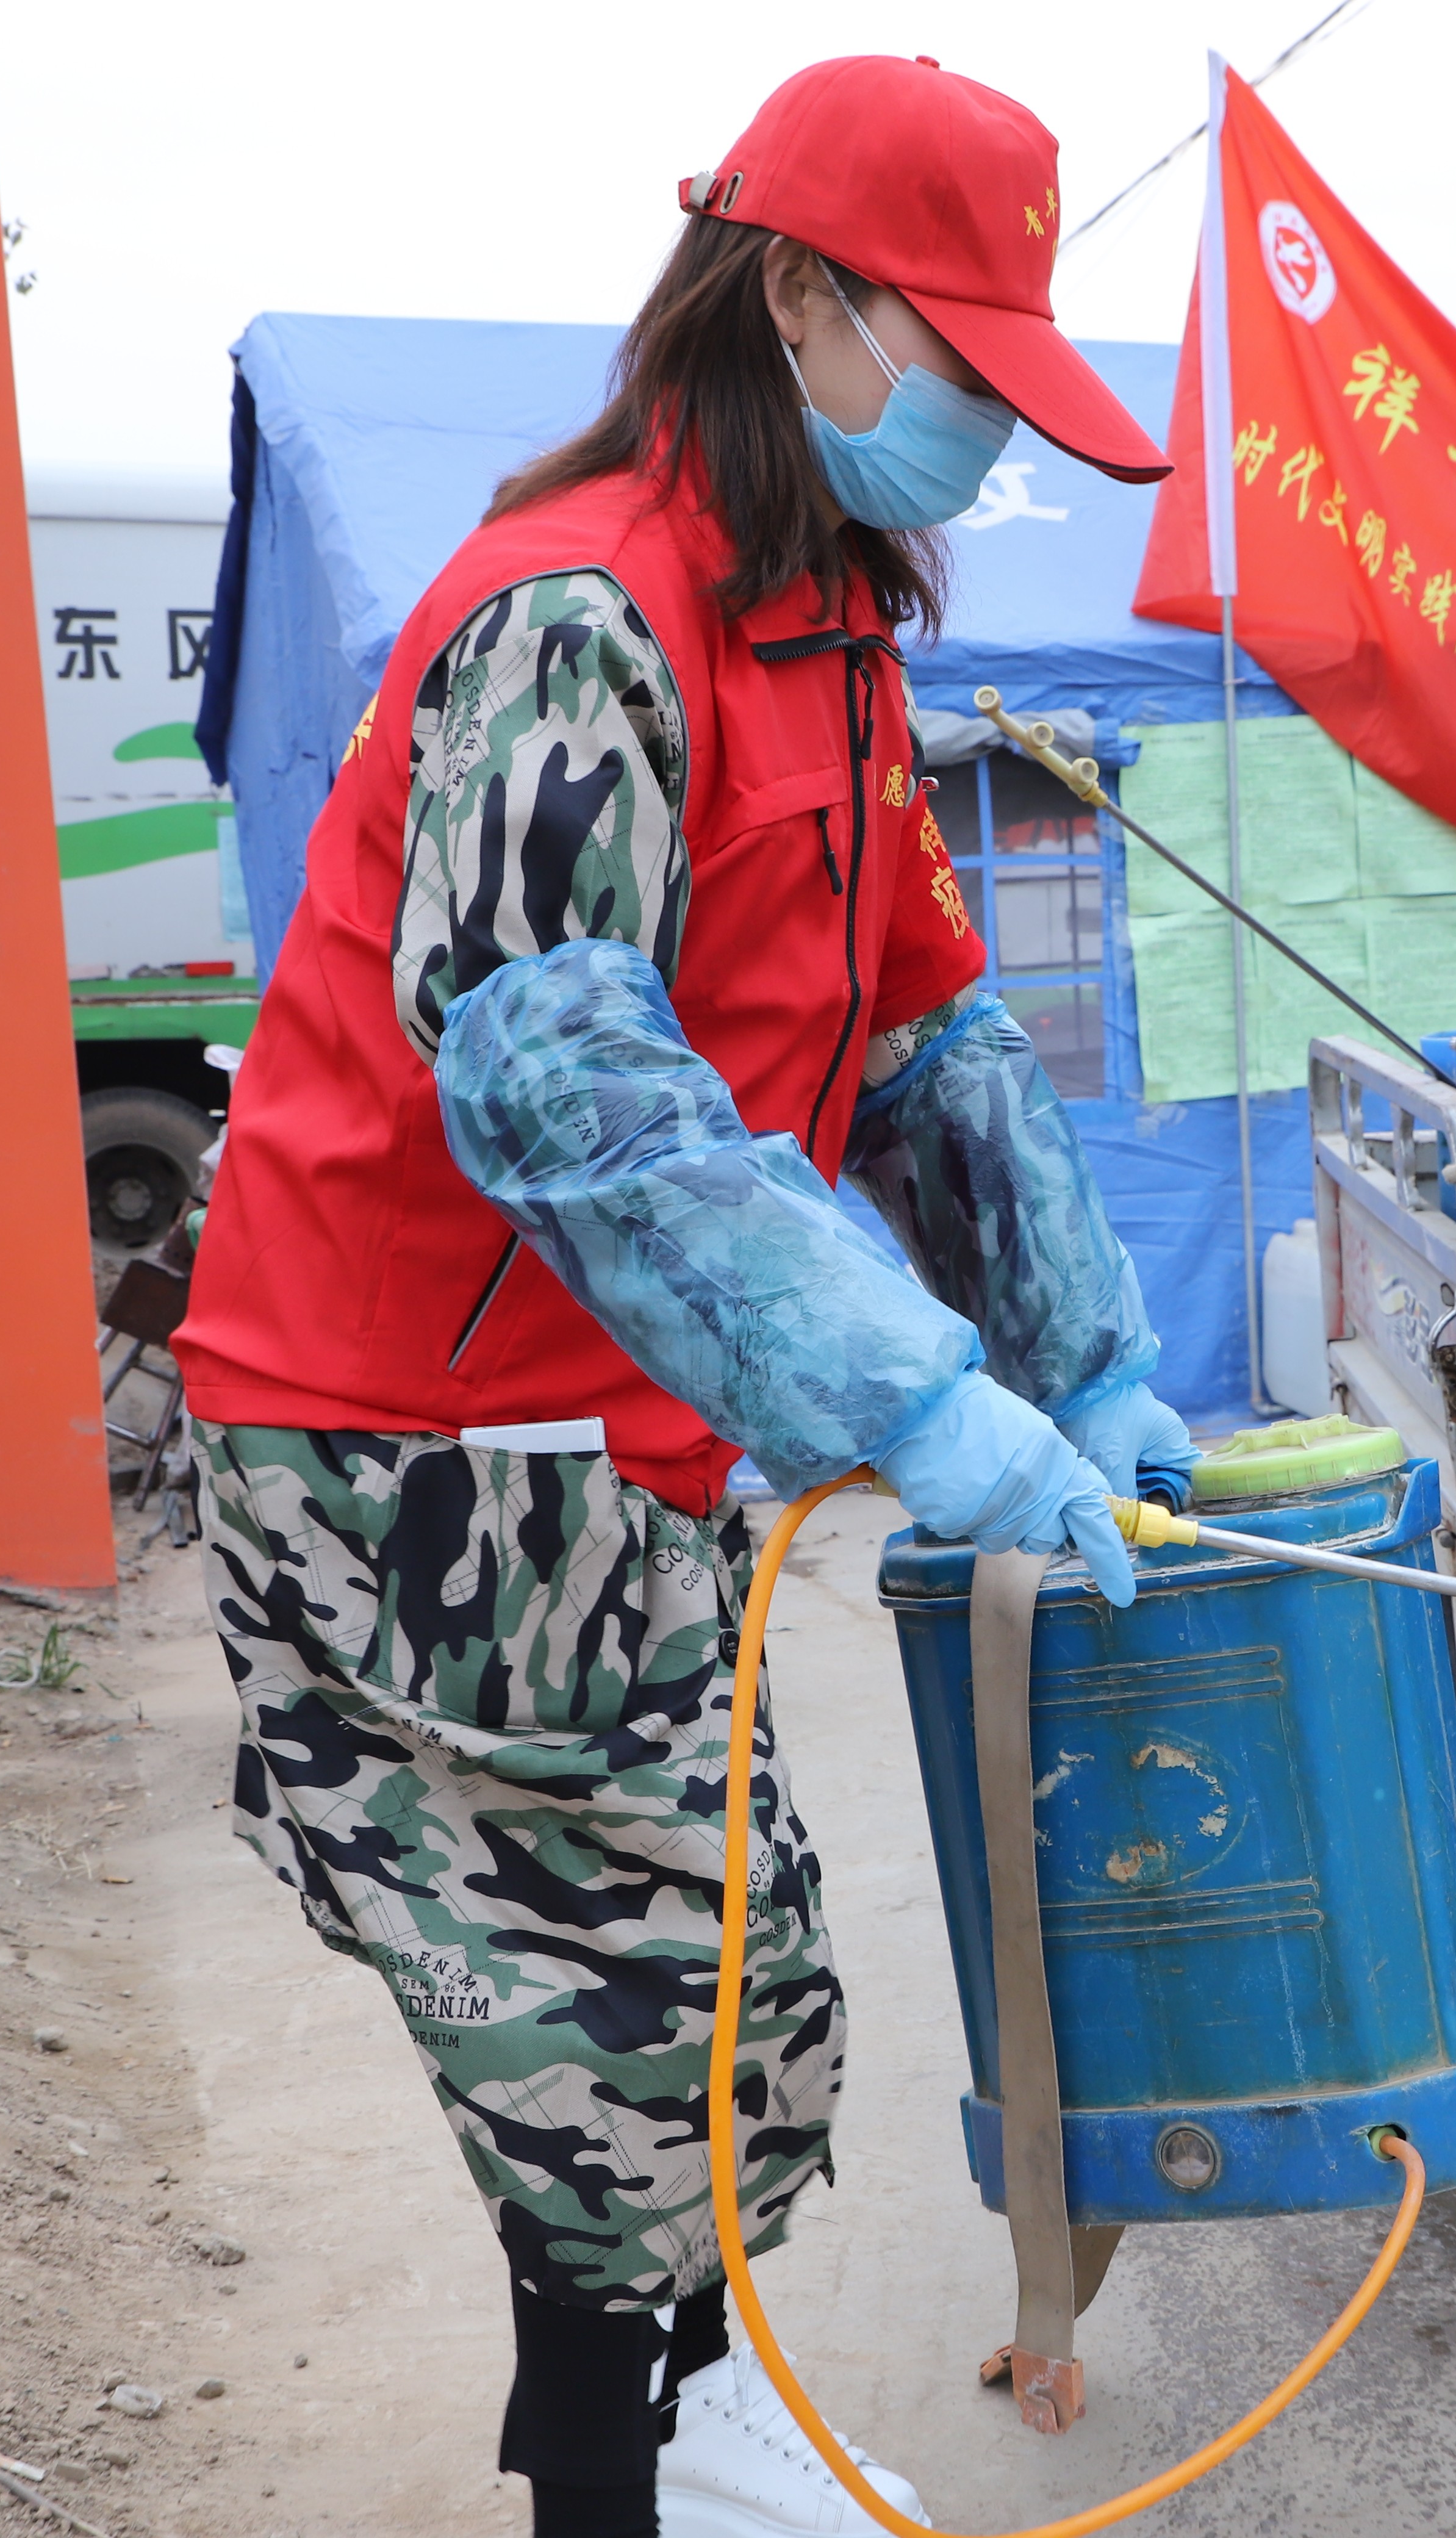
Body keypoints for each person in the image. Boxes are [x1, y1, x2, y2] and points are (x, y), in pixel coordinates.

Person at [171, 57, 1192, 2538]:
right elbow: (566, 1092)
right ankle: (650, 2482)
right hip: (414, 1454)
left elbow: (937, 1037)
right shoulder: (578, 615)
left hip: (608, 1441)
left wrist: (1085, 1355)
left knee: (723, 2006)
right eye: (953, 364)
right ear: (803, 301)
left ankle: (675, 2444)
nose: (973, 430)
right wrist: (927, 1402)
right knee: (632, 2036)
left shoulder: (823, 629)